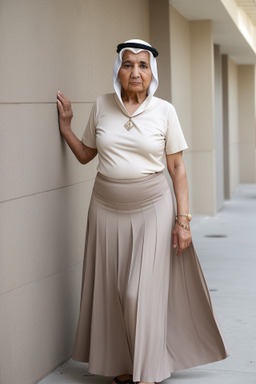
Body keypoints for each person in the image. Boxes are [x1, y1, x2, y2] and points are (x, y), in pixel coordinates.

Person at [57, 39, 228, 384]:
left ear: (153, 73)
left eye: (143, 65)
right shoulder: (102, 106)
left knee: (138, 292)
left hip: (153, 208)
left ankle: (147, 372)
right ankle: (119, 365)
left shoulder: (165, 111)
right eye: (128, 64)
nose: (135, 72)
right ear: (118, 70)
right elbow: (87, 155)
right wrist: (66, 129)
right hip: (105, 206)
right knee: (111, 289)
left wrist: (183, 221)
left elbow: (177, 167)